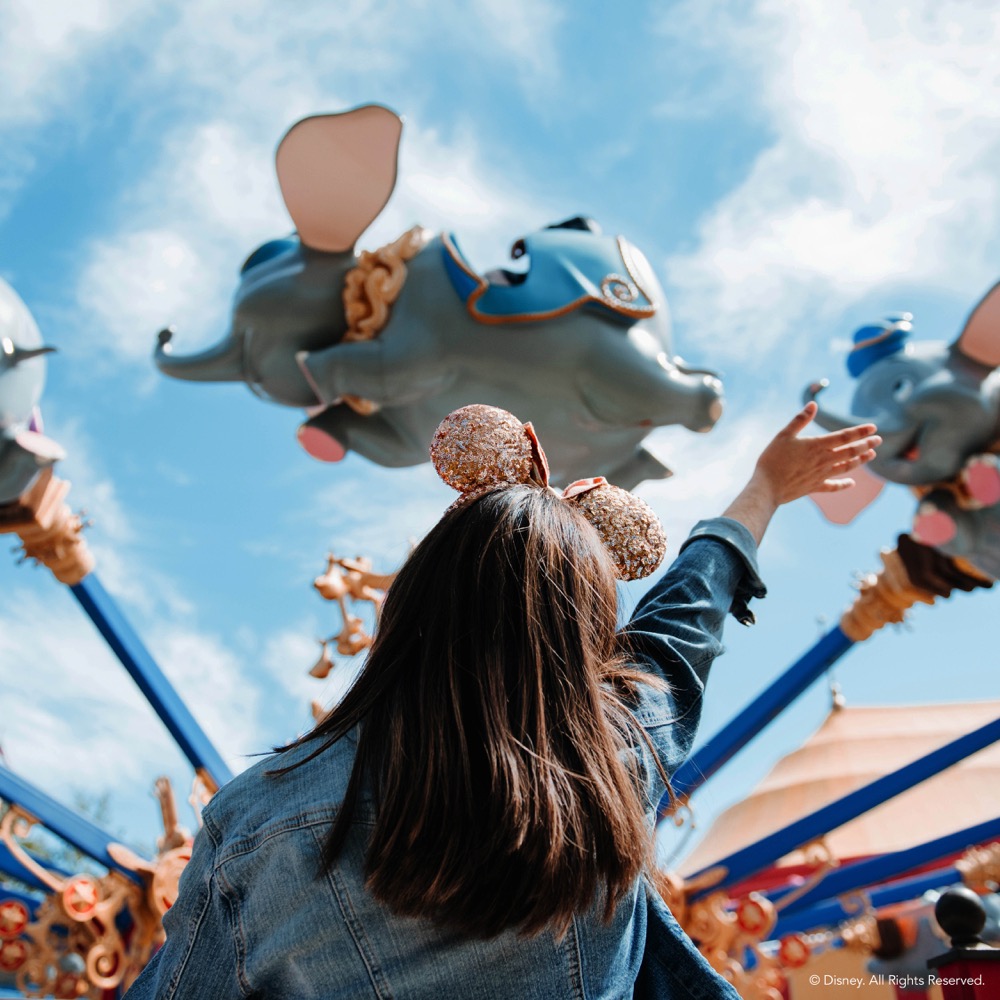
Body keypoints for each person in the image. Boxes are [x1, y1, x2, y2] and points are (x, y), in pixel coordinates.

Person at [124, 401, 879, 1000]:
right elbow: (686, 618)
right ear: (587, 638)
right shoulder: (616, 764)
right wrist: (765, 489)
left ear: (412, 604)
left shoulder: (258, 820)